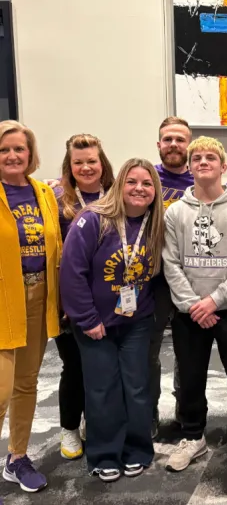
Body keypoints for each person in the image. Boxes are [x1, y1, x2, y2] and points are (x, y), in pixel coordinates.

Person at [163, 136, 227, 476]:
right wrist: (194, 305)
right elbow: (171, 264)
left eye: (210, 157)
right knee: (190, 379)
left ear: (224, 167)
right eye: (197, 158)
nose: (203, 161)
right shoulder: (175, 212)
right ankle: (193, 436)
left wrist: (214, 300)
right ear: (189, 167)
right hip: (190, 313)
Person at [59, 158, 165, 482]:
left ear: (154, 190)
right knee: (102, 387)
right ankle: (104, 454)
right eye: (132, 181)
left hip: (137, 321)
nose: (139, 188)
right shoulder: (93, 220)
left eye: (147, 184)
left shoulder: (155, 222)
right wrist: (88, 318)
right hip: (95, 324)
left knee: (137, 386)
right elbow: (72, 272)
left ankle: (137, 449)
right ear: (120, 184)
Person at [0, 121, 61, 505]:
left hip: (39, 297)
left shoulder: (43, 193)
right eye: (4, 150)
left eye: (19, 149)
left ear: (30, 153)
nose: (12, 156)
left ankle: (17, 457)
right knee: (0, 392)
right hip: (3, 299)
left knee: (26, 384)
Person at [53, 133, 115, 461]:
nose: (87, 167)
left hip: (109, 298)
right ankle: (68, 427)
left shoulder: (116, 195)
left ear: (102, 163)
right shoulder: (57, 200)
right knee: (74, 365)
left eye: (92, 161)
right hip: (69, 301)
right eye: (79, 162)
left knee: (102, 366)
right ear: (70, 166)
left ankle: (96, 420)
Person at [150, 117, 194, 436]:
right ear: (159, 145)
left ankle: (184, 406)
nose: (174, 145)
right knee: (148, 350)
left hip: (189, 277)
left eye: (180, 139)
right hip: (151, 280)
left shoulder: (200, 181)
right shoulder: (146, 178)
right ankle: (148, 409)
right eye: (168, 139)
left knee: (187, 350)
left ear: (188, 144)